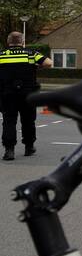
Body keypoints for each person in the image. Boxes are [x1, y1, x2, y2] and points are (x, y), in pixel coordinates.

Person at [0, 31, 52, 161]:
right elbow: (48, 63)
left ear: (8, 42)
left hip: (7, 94)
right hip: (28, 94)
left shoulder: (1, 55)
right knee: (28, 120)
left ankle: (9, 150)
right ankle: (29, 147)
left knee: (9, 121)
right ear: (22, 42)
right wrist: (35, 67)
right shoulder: (31, 54)